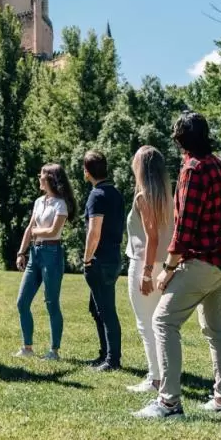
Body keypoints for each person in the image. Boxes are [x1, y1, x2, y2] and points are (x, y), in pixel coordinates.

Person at [134, 112, 221, 419]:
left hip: (202, 263)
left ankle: (169, 403)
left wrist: (167, 268)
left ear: (179, 140)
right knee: (216, 330)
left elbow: (184, 229)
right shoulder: (218, 164)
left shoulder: (193, 169)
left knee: (163, 322)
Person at [13, 164, 78, 360]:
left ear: (50, 178)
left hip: (52, 254)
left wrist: (34, 232)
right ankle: (27, 348)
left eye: (41, 175)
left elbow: (51, 231)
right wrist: (21, 252)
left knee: (51, 302)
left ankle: (54, 351)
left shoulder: (61, 204)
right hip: (35, 254)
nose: (38, 177)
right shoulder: (39, 201)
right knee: (22, 302)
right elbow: (29, 228)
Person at [124, 146, 174, 393]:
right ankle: (161, 375)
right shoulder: (168, 196)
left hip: (145, 263)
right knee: (159, 324)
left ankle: (155, 378)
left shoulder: (143, 197)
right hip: (165, 264)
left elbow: (151, 238)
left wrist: (144, 273)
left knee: (146, 324)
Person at [82, 150, 125, 371]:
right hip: (114, 256)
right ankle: (104, 353)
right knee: (96, 308)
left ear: (86, 172)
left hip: (100, 260)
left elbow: (94, 231)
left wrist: (87, 258)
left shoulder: (96, 195)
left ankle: (112, 359)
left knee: (106, 310)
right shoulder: (115, 193)